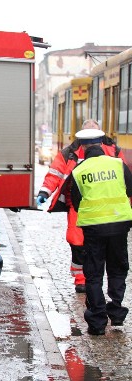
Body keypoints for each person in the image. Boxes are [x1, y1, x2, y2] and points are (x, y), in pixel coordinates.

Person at [36, 119, 124, 293]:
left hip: (105, 206)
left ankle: (95, 281)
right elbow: (55, 173)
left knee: (103, 246)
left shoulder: (112, 151)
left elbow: (123, 179)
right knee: (77, 242)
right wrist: (45, 192)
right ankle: (81, 279)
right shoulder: (70, 152)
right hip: (78, 206)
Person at [68, 128, 132, 335]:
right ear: (102, 145)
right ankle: (116, 313)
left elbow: (76, 204)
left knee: (94, 274)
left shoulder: (78, 171)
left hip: (93, 229)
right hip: (119, 225)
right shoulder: (118, 164)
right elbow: (130, 190)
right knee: (118, 269)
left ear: (83, 147)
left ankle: (96, 322)